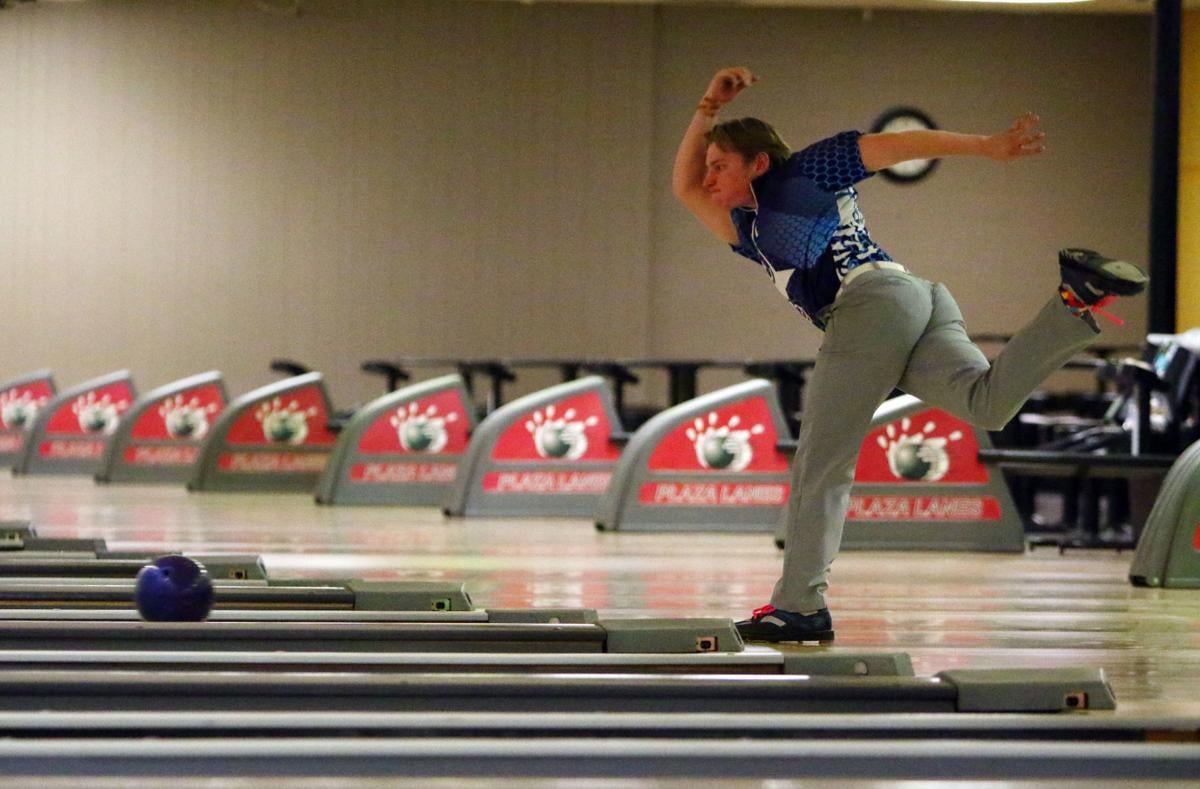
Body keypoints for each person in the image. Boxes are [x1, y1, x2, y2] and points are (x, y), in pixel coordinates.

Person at [673, 66, 1148, 643]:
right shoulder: (750, 232)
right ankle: (1073, 301)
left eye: (719, 165)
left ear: (758, 164)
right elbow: (684, 188)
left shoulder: (802, 175)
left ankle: (798, 607)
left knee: (821, 460)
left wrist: (986, 146)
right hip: (914, 299)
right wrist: (709, 106)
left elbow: (896, 146)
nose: (708, 177)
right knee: (986, 404)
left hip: (870, 305)